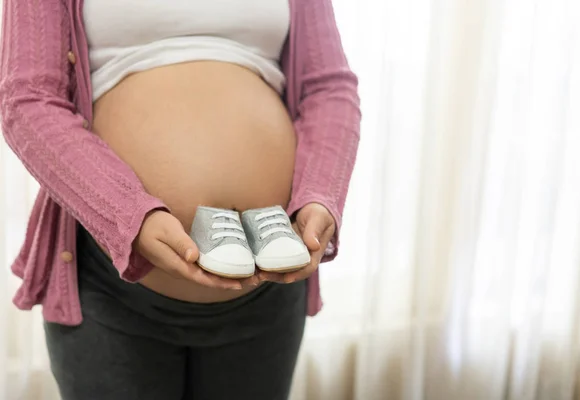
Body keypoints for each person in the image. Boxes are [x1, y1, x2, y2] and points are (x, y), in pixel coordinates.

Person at [0, 0, 360, 398]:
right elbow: (28, 99)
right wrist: (127, 216)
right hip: (110, 291)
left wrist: (321, 196)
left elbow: (329, 87)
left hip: (268, 285)